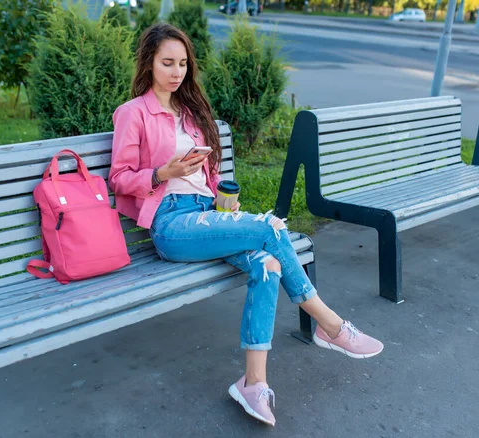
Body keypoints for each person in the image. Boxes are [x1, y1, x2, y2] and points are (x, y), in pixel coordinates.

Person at [109, 23, 384, 426]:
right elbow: (118, 179)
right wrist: (160, 172)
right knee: (270, 228)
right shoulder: (133, 113)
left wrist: (224, 196)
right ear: (148, 62)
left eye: (183, 63)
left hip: (209, 213)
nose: (176, 71)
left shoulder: (191, 114)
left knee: (268, 264)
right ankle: (330, 325)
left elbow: (209, 176)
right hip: (171, 224)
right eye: (167, 62)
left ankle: (253, 383)